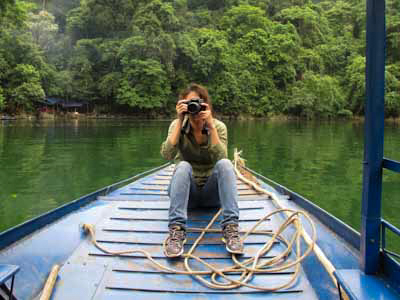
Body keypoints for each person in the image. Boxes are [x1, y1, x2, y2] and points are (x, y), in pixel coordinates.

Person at [160, 83, 244, 258]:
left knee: (226, 164)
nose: (194, 108)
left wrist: (211, 126)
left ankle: (231, 229)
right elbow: (167, 154)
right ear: (182, 105)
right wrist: (179, 120)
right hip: (187, 195)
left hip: (212, 194)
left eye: (197, 103)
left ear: (206, 105)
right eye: (189, 103)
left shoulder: (218, 127)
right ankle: (176, 232)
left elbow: (221, 157)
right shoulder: (177, 125)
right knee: (182, 166)